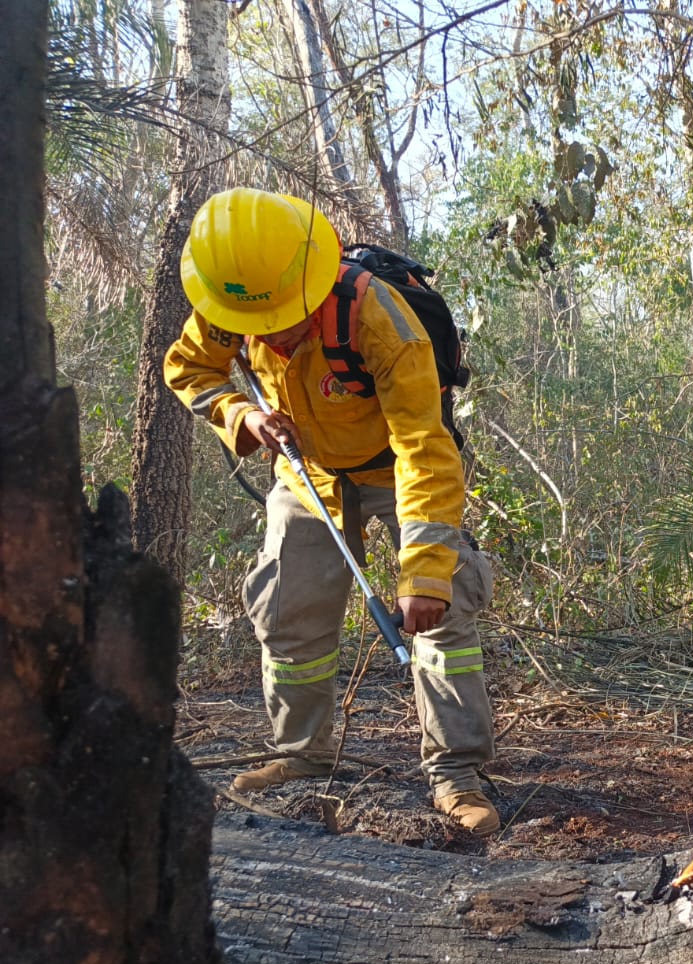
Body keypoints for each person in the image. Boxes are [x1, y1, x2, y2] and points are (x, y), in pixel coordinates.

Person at [165, 187, 500, 834]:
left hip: (395, 468)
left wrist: (425, 571)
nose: (266, 335)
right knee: (289, 608)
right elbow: (188, 371)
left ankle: (457, 773)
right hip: (307, 468)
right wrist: (243, 414)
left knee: (440, 610)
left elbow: (425, 448)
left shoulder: (378, 320)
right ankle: (303, 755)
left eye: (283, 320)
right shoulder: (231, 305)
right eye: (253, 325)